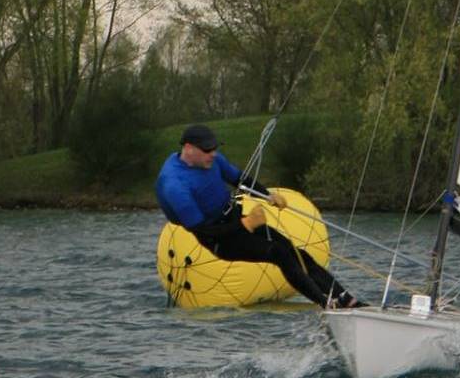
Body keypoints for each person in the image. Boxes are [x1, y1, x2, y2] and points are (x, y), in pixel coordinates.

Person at [155, 123, 364, 309]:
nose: (213, 153)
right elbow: (206, 232)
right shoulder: (175, 186)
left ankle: (346, 299)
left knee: (296, 252)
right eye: (207, 150)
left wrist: (268, 195)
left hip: (236, 219)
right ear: (189, 149)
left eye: (215, 148)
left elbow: (241, 180)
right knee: (279, 253)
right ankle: (327, 305)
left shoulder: (213, 160)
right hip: (221, 239)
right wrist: (245, 224)